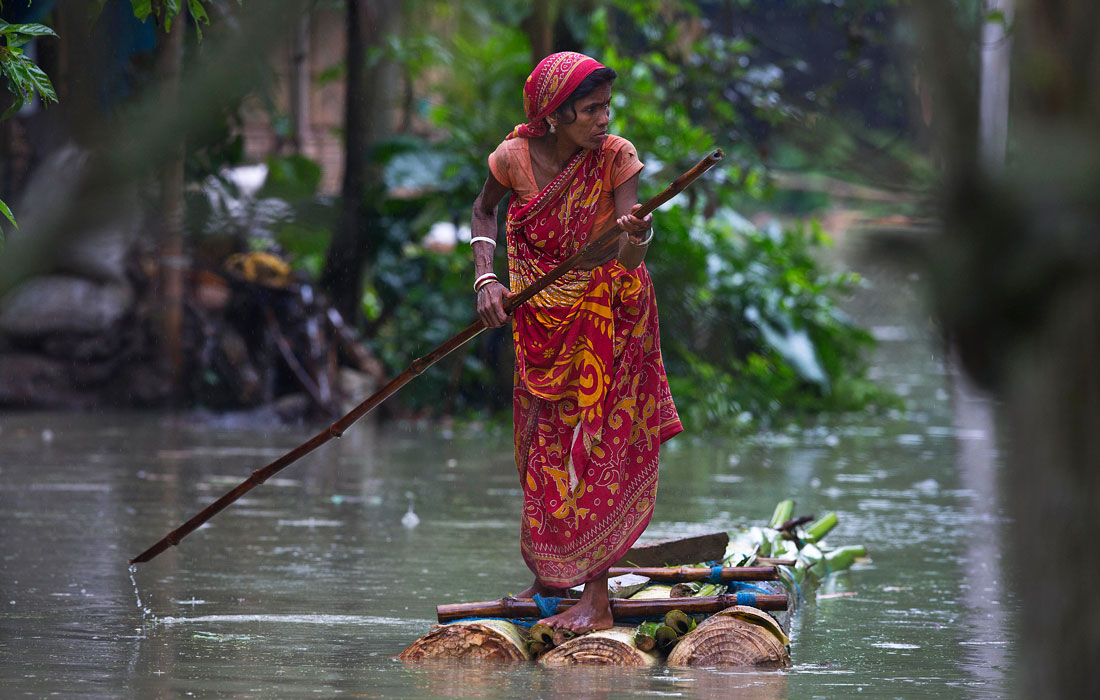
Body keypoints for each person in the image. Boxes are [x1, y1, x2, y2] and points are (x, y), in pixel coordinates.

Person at [470, 51, 682, 635]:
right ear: (554, 115)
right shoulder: (512, 157)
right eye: (590, 110)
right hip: (541, 320)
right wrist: (486, 278)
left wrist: (638, 236)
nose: (603, 119)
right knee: (541, 445)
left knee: (594, 448)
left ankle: (596, 598)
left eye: (607, 106)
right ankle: (550, 579)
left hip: (611, 318)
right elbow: (484, 211)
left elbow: (628, 256)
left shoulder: (617, 157)